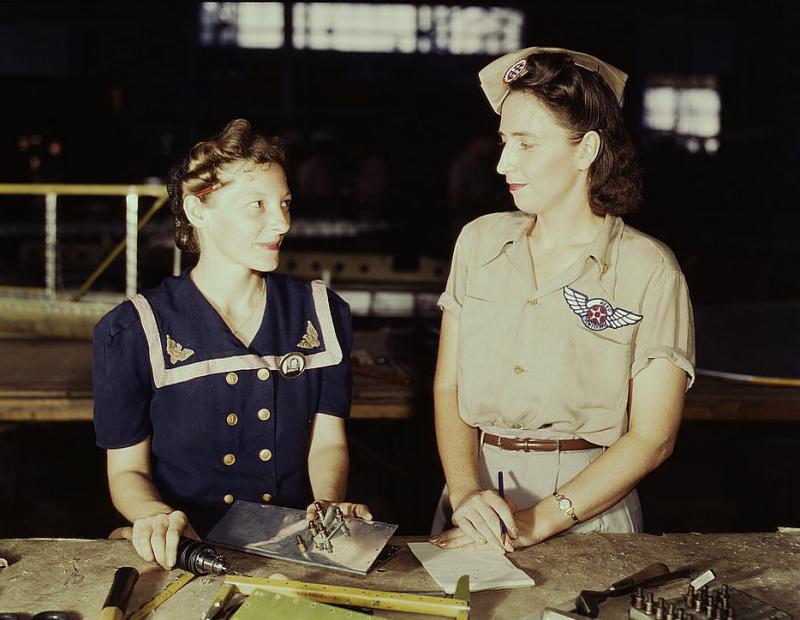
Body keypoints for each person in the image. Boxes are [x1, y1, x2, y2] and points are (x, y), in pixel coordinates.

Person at [429, 47, 695, 552]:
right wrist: (465, 491)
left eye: (527, 144)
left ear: (585, 149)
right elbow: (449, 388)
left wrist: (538, 522)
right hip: (475, 504)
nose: (505, 162)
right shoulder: (479, 243)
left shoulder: (648, 269)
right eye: (505, 141)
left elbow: (653, 437)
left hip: (587, 516)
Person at [93, 119, 371, 569]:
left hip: (294, 549)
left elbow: (327, 443)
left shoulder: (321, 313)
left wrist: (327, 506)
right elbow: (127, 471)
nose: (281, 221)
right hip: (189, 548)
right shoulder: (133, 329)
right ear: (198, 210)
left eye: (283, 203)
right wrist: (157, 518)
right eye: (256, 206)